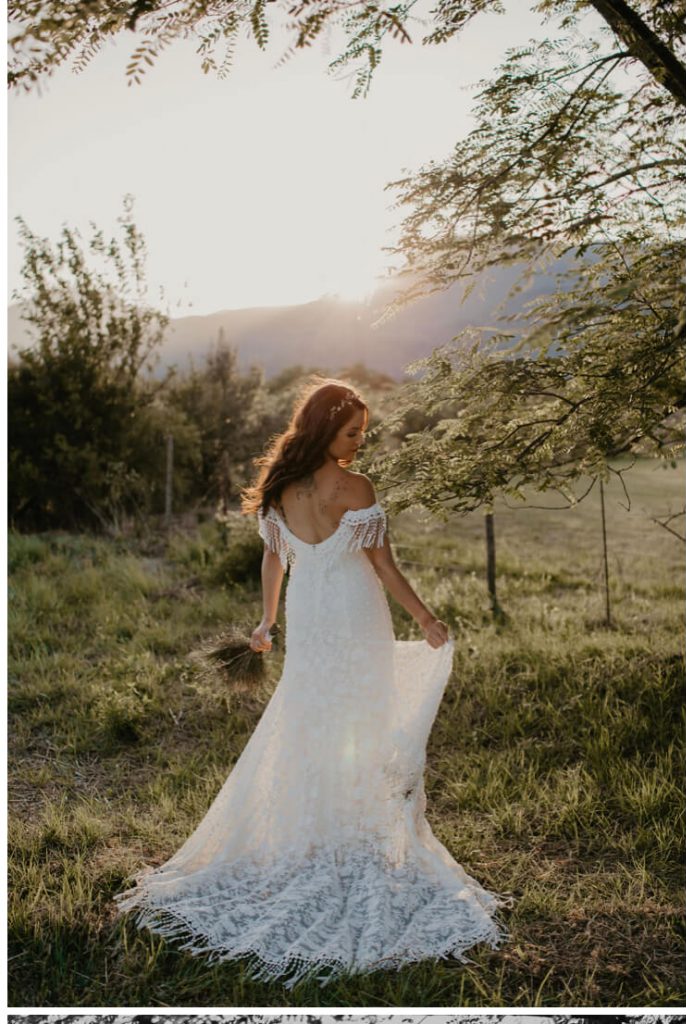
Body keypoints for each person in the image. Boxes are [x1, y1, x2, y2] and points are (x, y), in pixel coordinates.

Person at [117, 377, 503, 986]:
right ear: (325, 429)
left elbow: (276, 558)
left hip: (312, 612)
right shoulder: (356, 489)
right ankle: (350, 833)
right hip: (350, 610)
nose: (358, 442)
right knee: (355, 717)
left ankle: (328, 829)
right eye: (352, 432)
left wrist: (269, 619)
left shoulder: (282, 488)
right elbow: (384, 567)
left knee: (316, 716)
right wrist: (425, 618)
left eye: (362, 434)